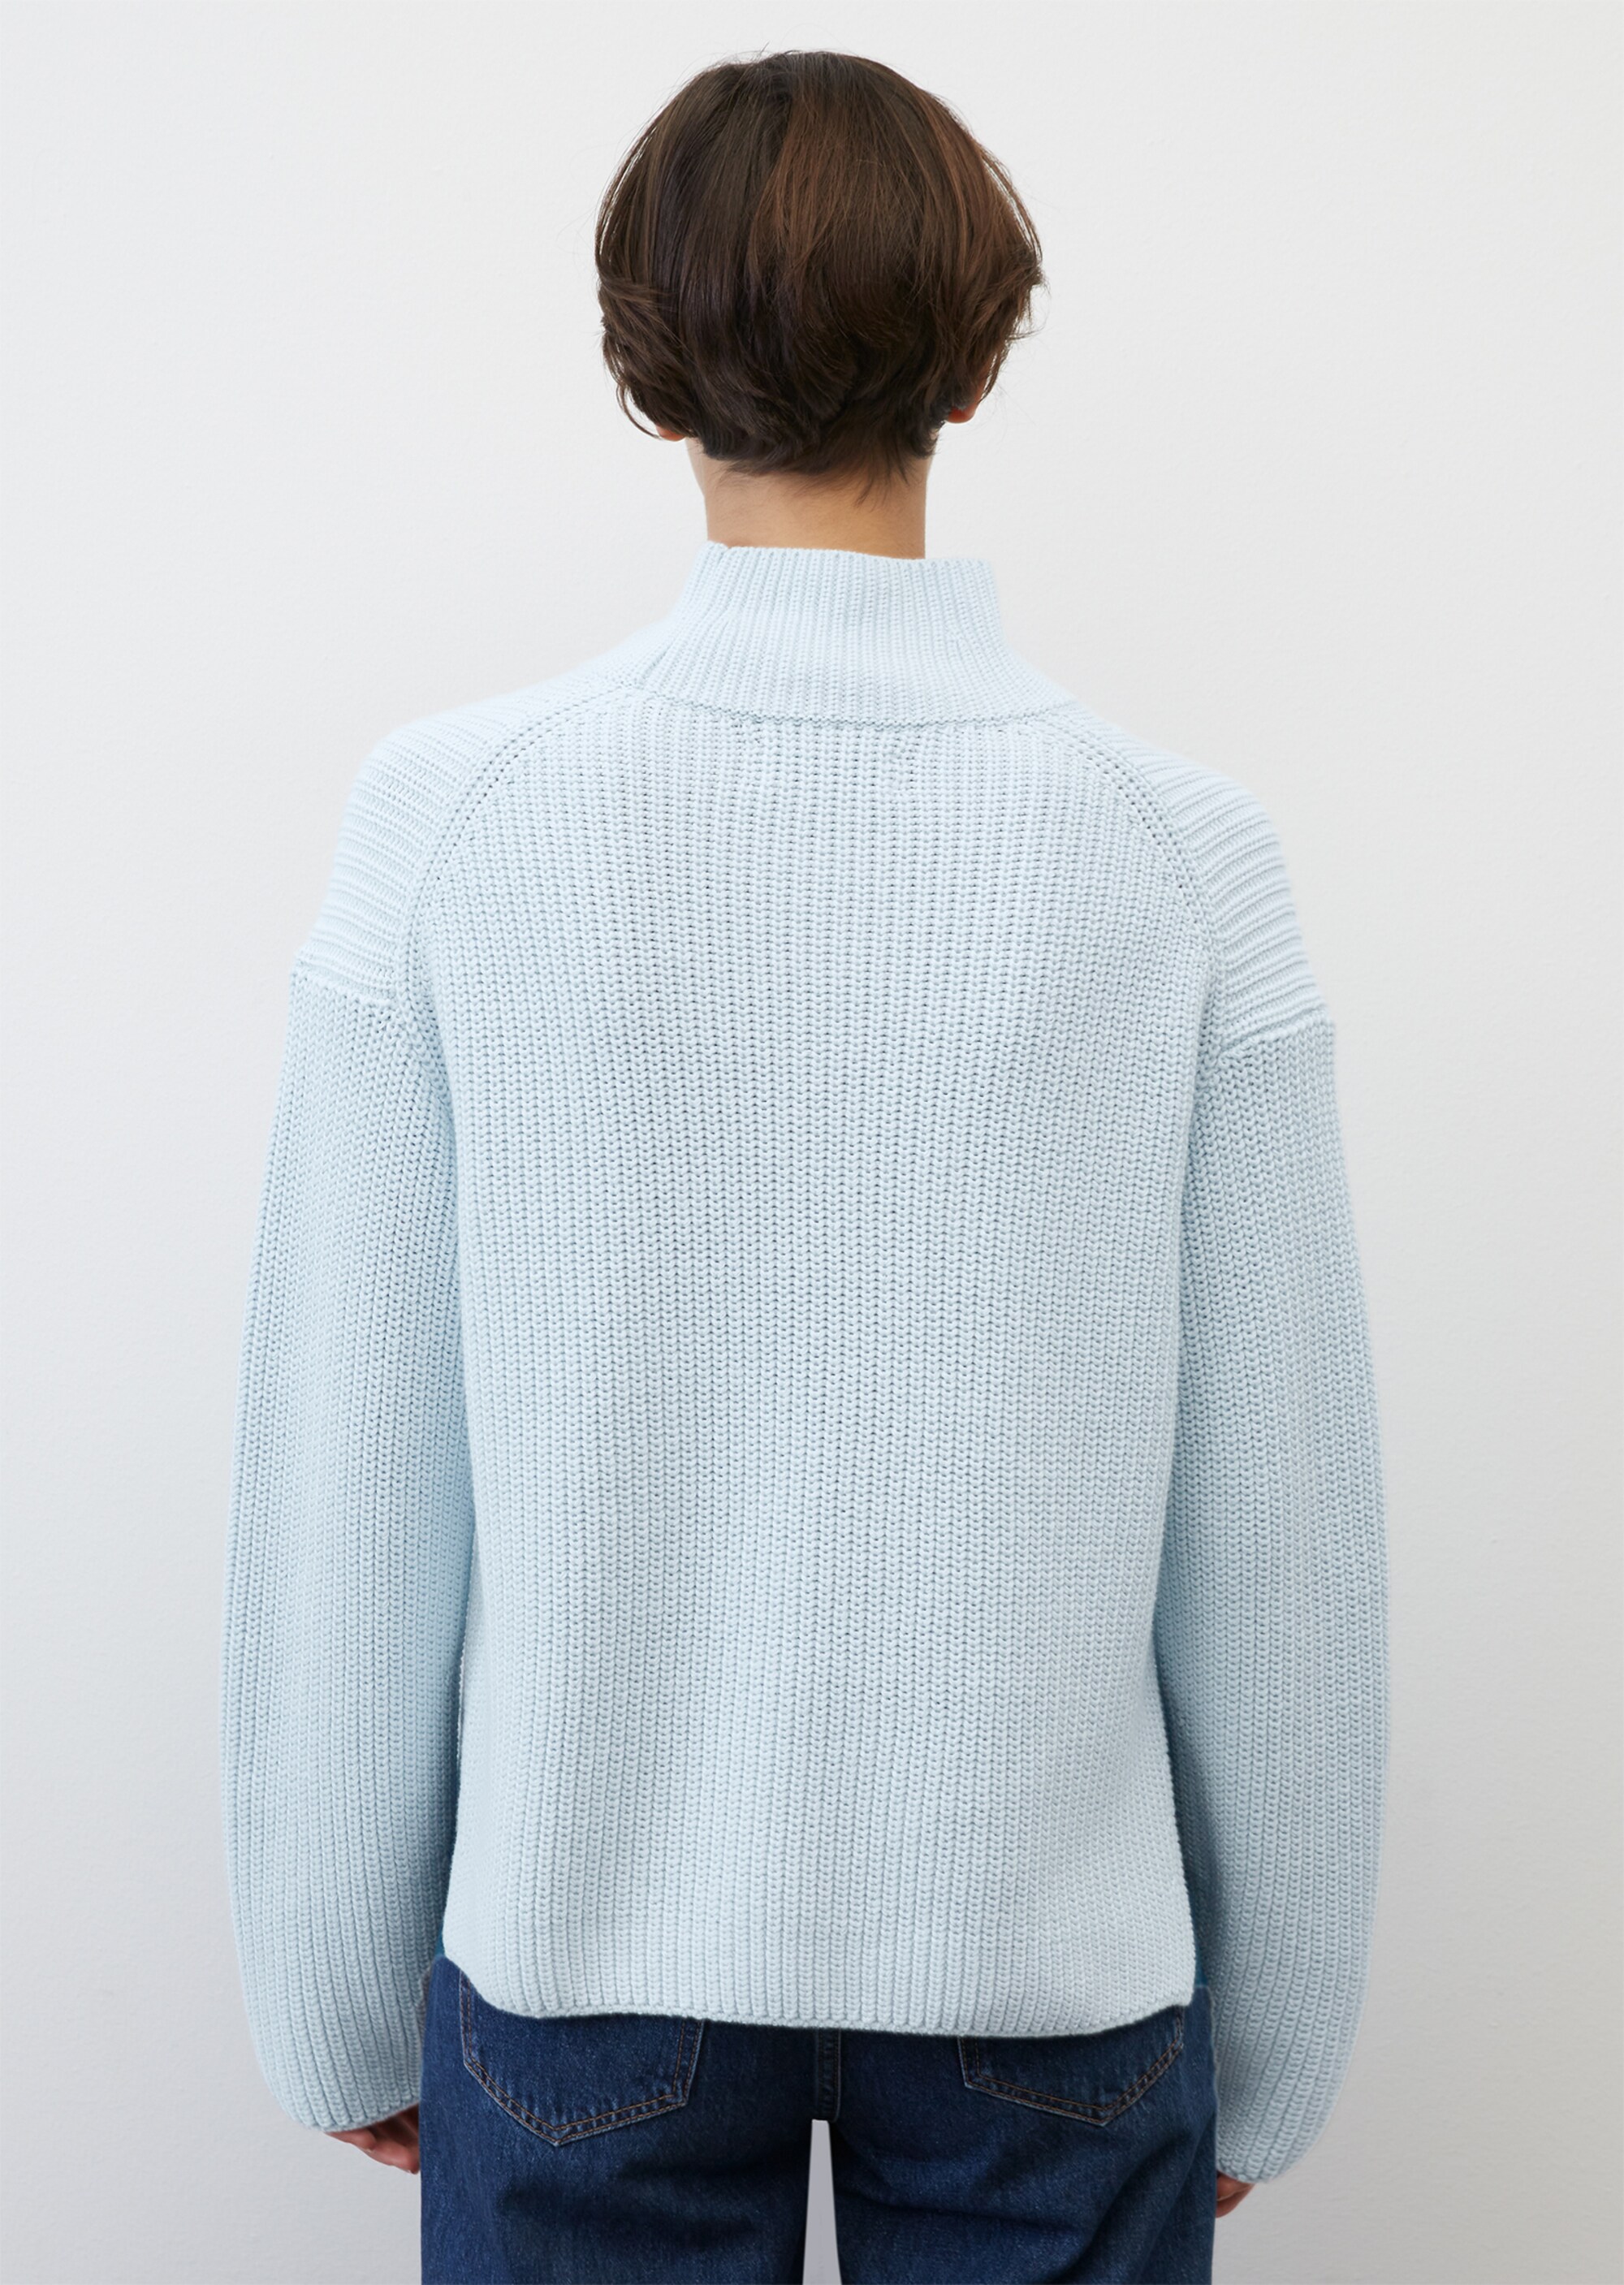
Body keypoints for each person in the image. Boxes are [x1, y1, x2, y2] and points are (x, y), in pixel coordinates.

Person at [220, 48, 1388, 2285]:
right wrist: (1284, 2039)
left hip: (585, 1949)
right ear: (977, 354)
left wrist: (332, 1979)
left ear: (645, 363)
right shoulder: (1178, 860)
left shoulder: (455, 825)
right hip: (1050, 1972)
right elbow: (1280, 1525)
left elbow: (353, 1464)